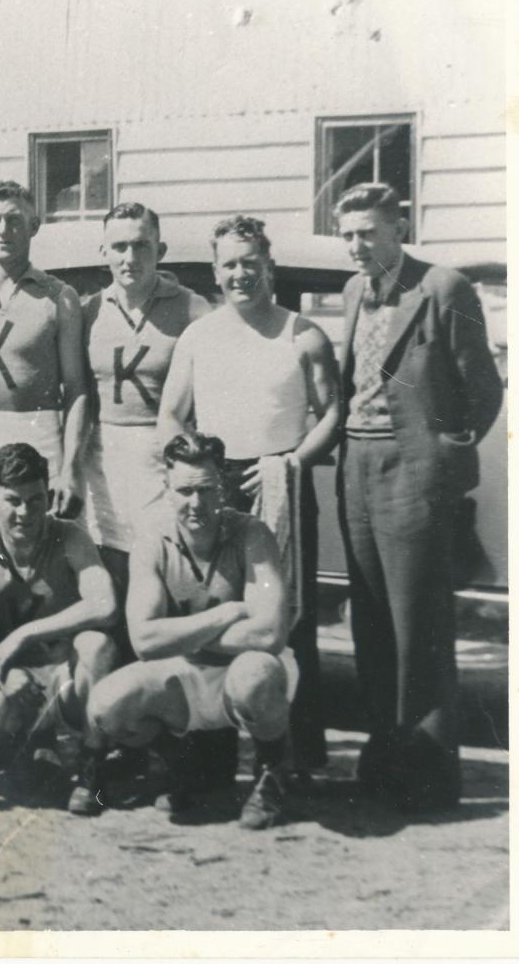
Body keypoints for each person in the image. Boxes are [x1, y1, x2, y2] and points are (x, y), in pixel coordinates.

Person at [332, 182, 503, 813]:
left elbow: (482, 389)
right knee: (371, 623)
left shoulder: (443, 288)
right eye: (348, 234)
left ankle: (429, 776)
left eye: (368, 233)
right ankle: (383, 762)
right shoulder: (352, 291)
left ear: (396, 229)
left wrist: (443, 460)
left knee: (419, 630)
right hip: (357, 466)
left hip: (413, 472)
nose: (357, 246)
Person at [159, 215, 340, 782]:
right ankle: (210, 759)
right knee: (211, 616)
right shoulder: (200, 335)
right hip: (216, 487)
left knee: (286, 620)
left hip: (280, 478)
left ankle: (294, 760)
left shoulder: (302, 333)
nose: (240, 274)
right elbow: (170, 413)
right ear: (216, 272)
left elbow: (333, 413)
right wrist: (193, 466)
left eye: (250, 264)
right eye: (229, 265)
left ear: (270, 267)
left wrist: (291, 463)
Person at [86, 432, 297, 830]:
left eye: (206, 490)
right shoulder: (151, 539)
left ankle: (271, 772)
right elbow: (144, 641)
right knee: (106, 707)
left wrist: (179, 632)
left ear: (223, 489)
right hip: (184, 676)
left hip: (240, 671)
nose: (195, 503)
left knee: (256, 674)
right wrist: (228, 613)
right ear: (167, 488)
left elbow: (270, 634)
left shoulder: (252, 534)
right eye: (184, 491)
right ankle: (176, 759)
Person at [0, 443, 119, 815]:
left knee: (97, 645)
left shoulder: (69, 537)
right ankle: (24, 752)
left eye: (36, 499)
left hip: (63, 678)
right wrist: (5, 675)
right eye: (13, 500)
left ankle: (91, 765)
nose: (25, 513)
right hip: (14, 683)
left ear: (49, 496)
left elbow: (105, 604)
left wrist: (24, 634)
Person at [0, 180, 90, 534]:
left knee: (43, 539)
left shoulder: (59, 297)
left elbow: (76, 388)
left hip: (38, 431)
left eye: (13, 220)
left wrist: (71, 467)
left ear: (34, 226)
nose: (3, 230)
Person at [80, 202, 210, 586]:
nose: (130, 258)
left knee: (163, 571)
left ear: (161, 250)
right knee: (112, 573)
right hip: (102, 461)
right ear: (103, 252)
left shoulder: (191, 308)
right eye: (119, 247)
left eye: (141, 246)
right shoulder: (88, 311)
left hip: (163, 455)